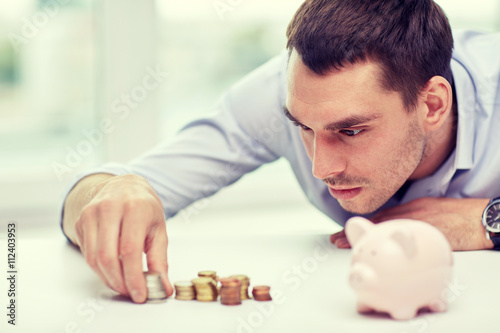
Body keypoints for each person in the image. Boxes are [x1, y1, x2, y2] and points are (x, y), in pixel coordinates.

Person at [61, 0, 500, 303]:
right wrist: (114, 192)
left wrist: (490, 219)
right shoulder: (285, 95)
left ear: (432, 104)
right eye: (304, 129)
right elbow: (95, 193)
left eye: (350, 131)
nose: (321, 168)